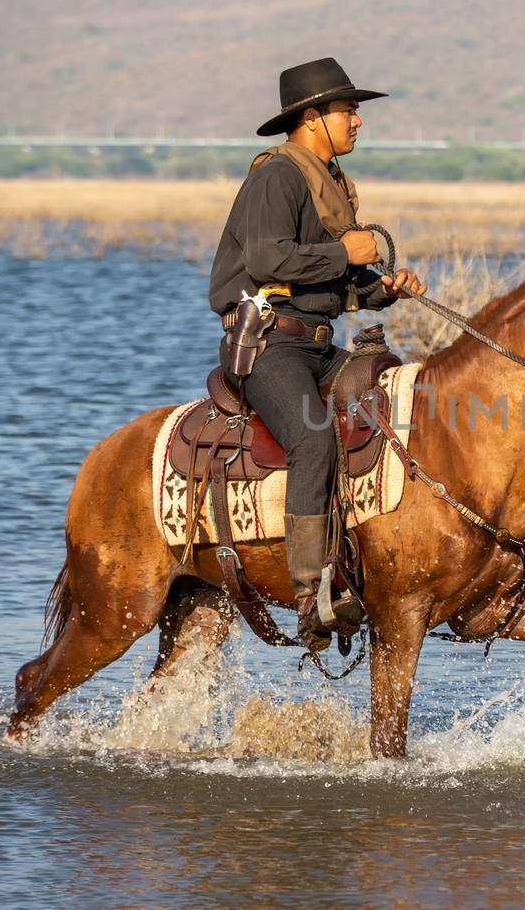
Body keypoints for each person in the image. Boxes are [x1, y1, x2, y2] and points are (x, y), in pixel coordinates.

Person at [208, 57, 427, 649]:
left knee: (402, 411)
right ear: (312, 118)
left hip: (320, 344)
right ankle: (310, 593)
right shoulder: (277, 176)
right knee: (312, 437)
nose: (358, 121)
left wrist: (383, 288)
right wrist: (347, 254)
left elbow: (332, 285)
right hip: (270, 346)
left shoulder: (327, 180)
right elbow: (267, 261)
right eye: (347, 110)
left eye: (356, 111)